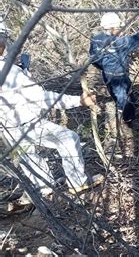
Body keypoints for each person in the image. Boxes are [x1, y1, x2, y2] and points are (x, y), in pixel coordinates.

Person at [0, 36, 103, 198]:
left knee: (29, 157)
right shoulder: (10, 72)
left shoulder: (10, 70)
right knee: (69, 139)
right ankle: (78, 182)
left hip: (8, 129)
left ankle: (45, 188)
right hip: (28, 124)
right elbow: (41, 98)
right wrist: (79, 101)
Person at [89, 13, 139, 123]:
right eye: (118, 27)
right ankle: (129, 119)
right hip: (119, 74)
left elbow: (94, 59)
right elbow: (138, 38)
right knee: (123, 98)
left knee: (119, 91)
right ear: (113, 28)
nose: (119, 29)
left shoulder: (96, 40)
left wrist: (103, 67)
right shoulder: (121, 42)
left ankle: (129, 104)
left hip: (107, 74)